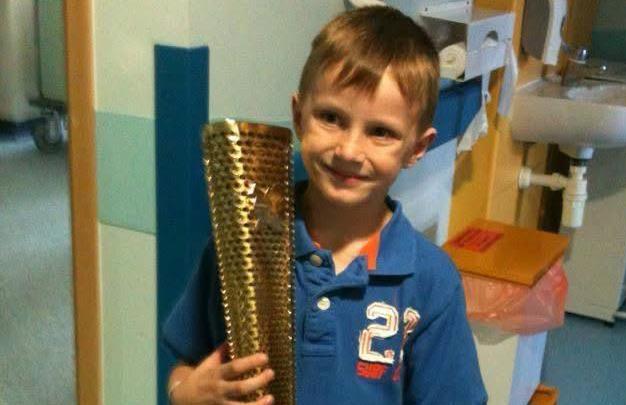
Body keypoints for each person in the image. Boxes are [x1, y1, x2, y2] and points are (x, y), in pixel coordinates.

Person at [162, 6, 487, 405]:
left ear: (417, 148)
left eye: (381, 132)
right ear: (299, 116)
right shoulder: (245, 246)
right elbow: (187, 365)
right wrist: (186, 394)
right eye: (331, 117)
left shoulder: (430, 283)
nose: (349, 150)